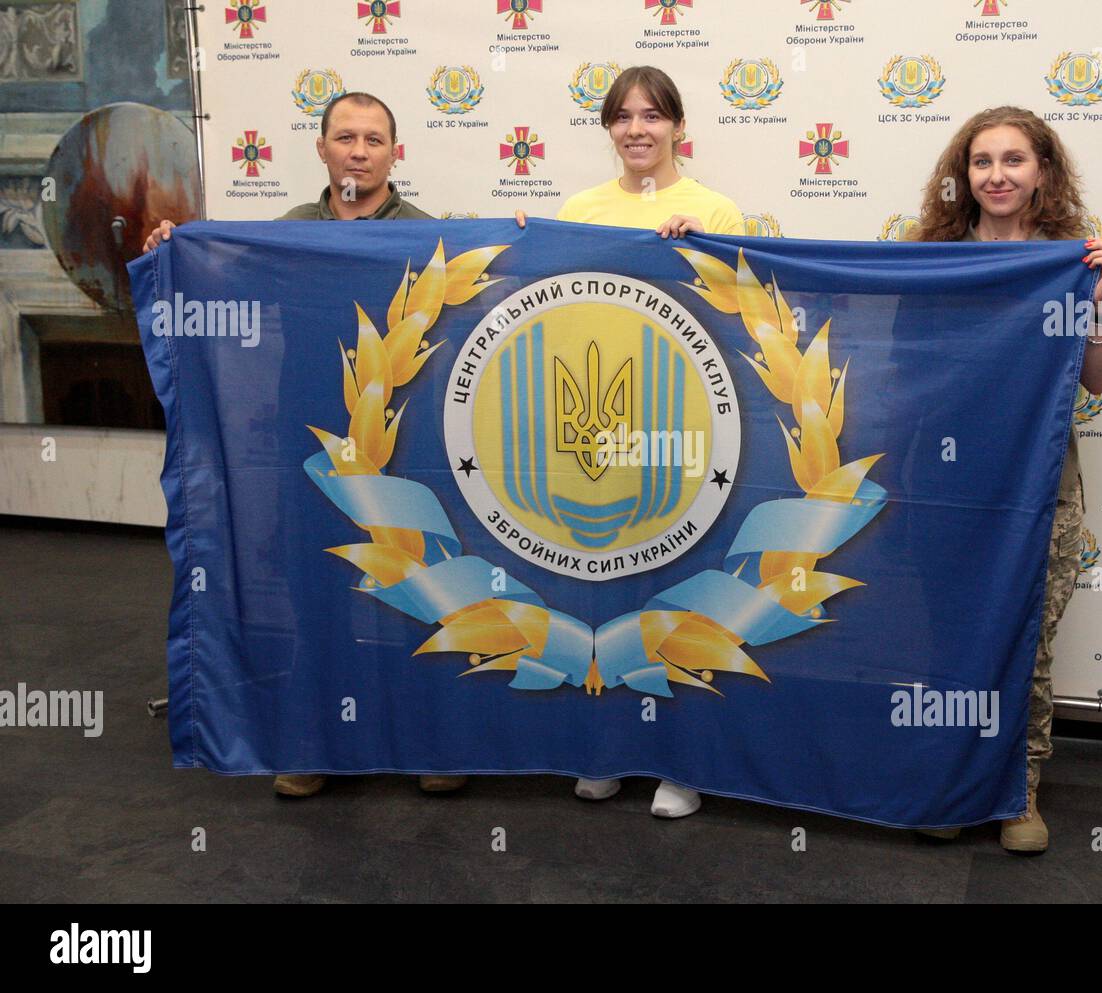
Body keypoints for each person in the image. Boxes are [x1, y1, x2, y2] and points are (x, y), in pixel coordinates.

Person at [143, 91, 523, 798]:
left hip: (405, 431)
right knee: (313, 580)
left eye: (373, 139)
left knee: (414, 578)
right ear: (321, 149)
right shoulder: (289, 229)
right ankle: (313, 739)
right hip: (307, 426)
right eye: (344, 137)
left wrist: (522, 239)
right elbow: (218, 276)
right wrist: (175, 248)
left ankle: (430, 740)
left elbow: (490, 289)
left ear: (394, 153)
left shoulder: (427, 233)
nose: (358, 150)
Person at [911, 106, 1102, 852]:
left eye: (1013, 160)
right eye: (981, 162)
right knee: (950, 642)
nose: (996, 175)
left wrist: (1094, 304)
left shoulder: (1070, 260)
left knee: (1026, 642)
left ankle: (1017, 793)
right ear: (961, 176)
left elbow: (1097, 379)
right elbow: (902, 367)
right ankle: (951, 783)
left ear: (1043, 172)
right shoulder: (930, 258)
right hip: (947, 485)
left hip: (1039, 490)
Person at [555, 65, 743, 818]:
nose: (638, 128)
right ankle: (607, 749)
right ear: (608, 128)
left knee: (681, 586)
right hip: (597, 432)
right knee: (602, 586)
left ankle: (683, 761)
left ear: (677, 126)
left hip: (684, 425)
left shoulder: (716, 206)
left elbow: (744, 314)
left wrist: (703, 252)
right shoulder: (580, 208)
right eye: (624, 116)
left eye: (653, 115)